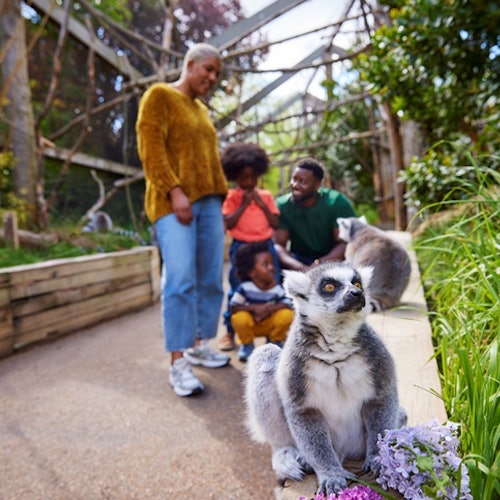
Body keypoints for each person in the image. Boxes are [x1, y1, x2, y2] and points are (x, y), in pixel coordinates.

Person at [136, 43, 230, 398]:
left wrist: (219, 198)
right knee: (179, 278)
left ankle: (197, 344)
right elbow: (151, 148)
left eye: (216, 73)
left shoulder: (201, 111)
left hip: (208, 204)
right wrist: (174, 190)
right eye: (208, 69)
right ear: (189, 64)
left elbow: (209, 161)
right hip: (172, 200)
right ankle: (178, 364)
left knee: (210, 279)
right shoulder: (159, 96)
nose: (212, 77)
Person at [219, 142, 281, 351]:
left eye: (252, 177)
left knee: (272, 285)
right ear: (235, 177)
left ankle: (274, 334)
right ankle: (230, 332)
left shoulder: (266, 196)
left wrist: (261, 204)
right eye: (243, 178)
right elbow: (228, 223)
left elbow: (275, 223)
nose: (248, 182)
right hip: (241, 249)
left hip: (265, 247)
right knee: (237, 289)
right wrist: (244, 203)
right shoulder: (231, 197)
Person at [274, 157, 356, 271]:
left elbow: (346, 243)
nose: (295, 185)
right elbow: (278, 245)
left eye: (302, 181)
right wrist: (300, 267)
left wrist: (319, 264)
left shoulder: (336, 202)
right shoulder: (283, 204)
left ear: (317, 185)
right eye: (293, 179)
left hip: (333, 261)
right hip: (299, 261)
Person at [229, 241, 293, 362]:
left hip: (268, 324)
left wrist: (268, 309)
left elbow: (288, 304)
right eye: (265, 264)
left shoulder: (276, 288)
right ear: (251, 272)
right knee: (239, 318)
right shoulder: (245, 288)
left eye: (271, 263)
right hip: (251, 325)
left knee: (287, 315)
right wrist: (253, 308)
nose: (271, 268)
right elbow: (233, 307)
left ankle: (275, 342)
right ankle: (247, 345)